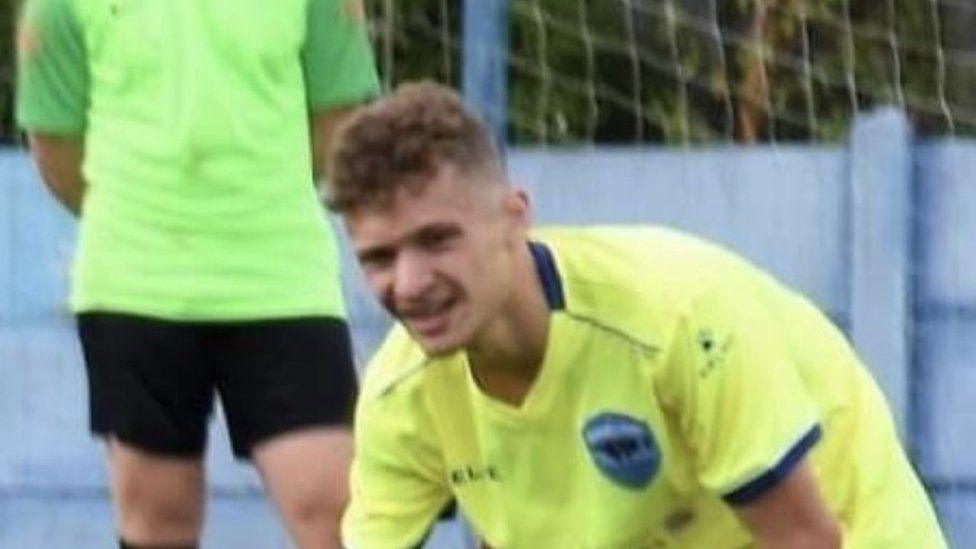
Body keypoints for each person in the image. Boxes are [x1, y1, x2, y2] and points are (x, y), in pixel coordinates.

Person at [327, 82, 947, 548]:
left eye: (437, 241)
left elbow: (805, 539)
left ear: (515, 217)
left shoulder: (678, 318)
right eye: (378, 257)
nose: (408, 285)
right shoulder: (398, 398)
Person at [15, 0, 379, 547]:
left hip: (282, 280)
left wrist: (249, 203)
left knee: (338, 515)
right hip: (134, 285)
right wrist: (145, 216)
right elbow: (55, 142)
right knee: (156, 524)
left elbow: (339, 120)